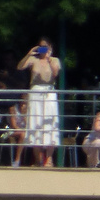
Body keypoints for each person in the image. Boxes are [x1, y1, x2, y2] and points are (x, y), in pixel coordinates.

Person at [16, 38, 61, 166]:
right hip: (35, 92)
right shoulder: (33, 60)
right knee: (35, 122)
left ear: (50, 47)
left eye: (45, 46)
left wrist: (49, 58)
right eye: (41, 46)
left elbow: (55, 73)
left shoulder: (55, 60)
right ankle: (38, 159)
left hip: (49, 92)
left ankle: (49, 158)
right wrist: (29, 54)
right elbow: (19, 67)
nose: (43, 49)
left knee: (50, 123)